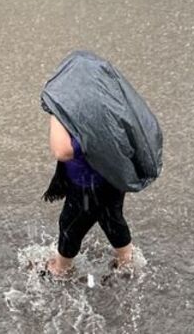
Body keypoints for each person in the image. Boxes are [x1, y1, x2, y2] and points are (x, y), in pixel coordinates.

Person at [45, 114, 134, 277]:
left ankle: (61, 270)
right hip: (114, 177)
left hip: (88, 184)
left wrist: (55, 112)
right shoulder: (107, 103)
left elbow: (62, 151)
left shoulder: (85, 115)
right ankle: (126, 261)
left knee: (70, 226)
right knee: (111, 218)